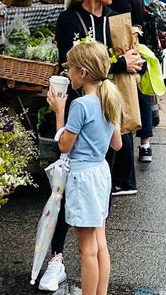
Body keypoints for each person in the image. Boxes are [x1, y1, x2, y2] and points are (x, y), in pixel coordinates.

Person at [40, 0, 143, 292]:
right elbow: (74, 61)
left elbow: (65, 143)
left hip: (98, 114)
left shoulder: (114, 17)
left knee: (90, 220)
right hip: (88, 112)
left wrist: (132, 58)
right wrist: (120, 63)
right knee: (64, 193)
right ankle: (56, 258)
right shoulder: (70, 19)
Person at [47, 40, 123, 295]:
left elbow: (64, 146)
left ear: (82, 72)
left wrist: (59, 111)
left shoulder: (80, 105)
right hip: (101, 173)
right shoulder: (110, 98)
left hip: (82, 177)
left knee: (86, 250)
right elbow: (117, 144)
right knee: (100, 244)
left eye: (70, 68)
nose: (67, 73)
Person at [92, 0, 153, 165]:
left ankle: (130, 153)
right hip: (135, 49)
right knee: (139, 98)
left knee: (126, 107)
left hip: (126, 53)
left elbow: (119, 31)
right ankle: (145, 143)